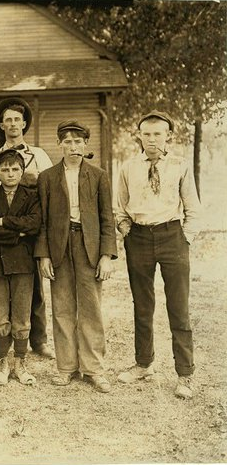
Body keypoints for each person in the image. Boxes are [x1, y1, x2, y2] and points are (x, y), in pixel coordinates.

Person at [115, 111, 202, 400]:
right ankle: (144, 363)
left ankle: (185, 374)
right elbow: (120, 206)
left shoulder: (179, 165)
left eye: (158, 134)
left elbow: (192, 207)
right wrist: (127, 229)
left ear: (168, 136)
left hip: (171, 236)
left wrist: (184, 239)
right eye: (147, 133)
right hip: (138, 237)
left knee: (179, 307)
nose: (152, 139)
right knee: (142, 305)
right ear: (139, 136)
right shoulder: (128, 167)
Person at [35, 120, 117, 393]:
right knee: (62, 307)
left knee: (91, 307)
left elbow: (107, 218)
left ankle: (94, 368)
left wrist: (106, 255)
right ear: (59, 144)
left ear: (85, 144)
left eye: (78, 141)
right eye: (67, 141)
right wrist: (44, 255)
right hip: (59, 246)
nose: (73, 146)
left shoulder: (99, 176)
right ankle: (66, 366)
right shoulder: (47, 177)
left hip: (89, 246)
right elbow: (43, 222)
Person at [0, 97, 55, 359]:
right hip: (5, 231)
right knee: (4, 286)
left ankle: (39, 339)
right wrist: (13, 226)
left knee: (32, 284)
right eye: (8, 120)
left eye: (17, 119)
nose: (13, 124)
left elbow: (48, 191)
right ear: (1, 125)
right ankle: (7, 343)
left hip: (33, 225)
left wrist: (32, 226)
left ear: (24, 123)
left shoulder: (39, 155)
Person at [0, 149, 41, 386]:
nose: (10, 173)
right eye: (5, 169)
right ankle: (3, 362)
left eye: (15, 168)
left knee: (22, 315)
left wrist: (3, 221)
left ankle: (21, 363)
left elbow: (34, 224)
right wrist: (19, 234)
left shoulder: (31, 196)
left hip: (24, 263)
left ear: (22, 171)